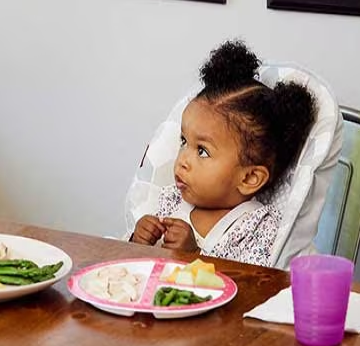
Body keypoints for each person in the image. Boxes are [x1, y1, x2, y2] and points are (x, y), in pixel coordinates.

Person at [130, 40, 317, 267]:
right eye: (183, 141)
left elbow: (251, 286)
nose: (182, 161)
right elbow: (138, 269)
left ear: (249, 178)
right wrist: (137, 242)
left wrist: (195, 255)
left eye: (202, 151)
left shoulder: (258, 227)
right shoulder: (170, 200)